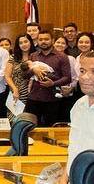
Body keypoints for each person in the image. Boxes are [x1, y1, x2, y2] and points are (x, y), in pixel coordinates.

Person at [58, 51, 94, 184]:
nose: (85, 77)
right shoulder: (78, 105)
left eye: (93, 71)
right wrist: (65, 176)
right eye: (82, 71)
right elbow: (75, 146)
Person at [25, 30, 71, 126]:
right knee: (29, 127)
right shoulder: (33, 56)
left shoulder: (62, 57)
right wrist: (33, 70)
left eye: (46, 39)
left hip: (52, 99)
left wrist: (53, 84)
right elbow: (25, 75)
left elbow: (67, 78)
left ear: (52, 40)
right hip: (34, 98)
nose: (43, 41)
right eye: (40, 39)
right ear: (37, 41)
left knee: (50, 128)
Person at [4, 35, 36, 118]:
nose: (24, 44)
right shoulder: (13, 57)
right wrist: (14, 89)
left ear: (30, 42)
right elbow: (7, 76)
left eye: (26, 42)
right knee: (14, 120)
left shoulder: (36, 56)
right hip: (16, 93)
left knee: (30, 120)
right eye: (21, 43)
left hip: (33, 94)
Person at [53, 36, 80, 122]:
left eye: (63, 43)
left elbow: (75, 77)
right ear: (53, 44)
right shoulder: (49, 58)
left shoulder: (71, 59)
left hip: (67, 94)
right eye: (58, 42)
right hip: (52, 94)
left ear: (66, 46)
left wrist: (70, 88)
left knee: (65, 119)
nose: (60, 45)